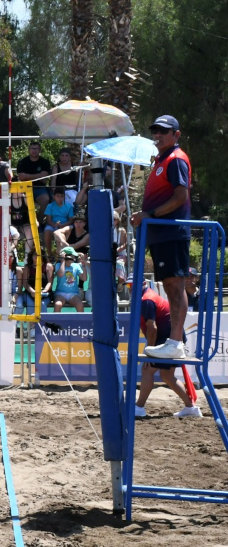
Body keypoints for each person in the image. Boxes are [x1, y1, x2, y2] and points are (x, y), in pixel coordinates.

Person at [131, 115, 192, 360]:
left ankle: (175, 342)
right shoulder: (162, 159)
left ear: (176, 135)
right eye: (155, 130)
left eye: (163, 131)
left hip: (171, 233)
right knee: (170, 285)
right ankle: (174, 342)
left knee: (175, 286)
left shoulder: (176, 159)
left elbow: (181, 196)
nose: (157, 135)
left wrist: (151, 214)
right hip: (161, 233)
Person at [133, 279, 202, 418]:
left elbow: (152, 328)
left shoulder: (147, 300)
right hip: (170, 337)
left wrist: (149, 351)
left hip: (167, 339)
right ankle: (191, 408)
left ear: (143, 284)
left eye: (132, 285)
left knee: (147, 371)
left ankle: (139, 407)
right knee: (167, 375)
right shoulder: (147, 296)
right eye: (128, 285)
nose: (130, 288)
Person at [16, 141, 52, 208]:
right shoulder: (22, 162)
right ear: (29, 150)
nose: (34, 150)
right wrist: (38, 176)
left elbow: (44, 178)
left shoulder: (45, 162)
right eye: (32, 148)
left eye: (36, 149)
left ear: (40, 150)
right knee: (17, 199)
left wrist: (27, 176)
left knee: (45, 199)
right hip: (25, 187)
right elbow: (21, 177)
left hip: (40, 187)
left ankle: (39, 218)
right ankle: (25, 218)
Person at [52, 247, 87, 312]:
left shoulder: (76, 266)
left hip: (73, 293)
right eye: (72, 256)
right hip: (60, 293)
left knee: (80, 305)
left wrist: (83, 266)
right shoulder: (58, 265)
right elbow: (61, 274)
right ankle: (56, 322)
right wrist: (62, 260)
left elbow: (84, 279)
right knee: (57, 304)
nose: (74, 257)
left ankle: (81, 322)